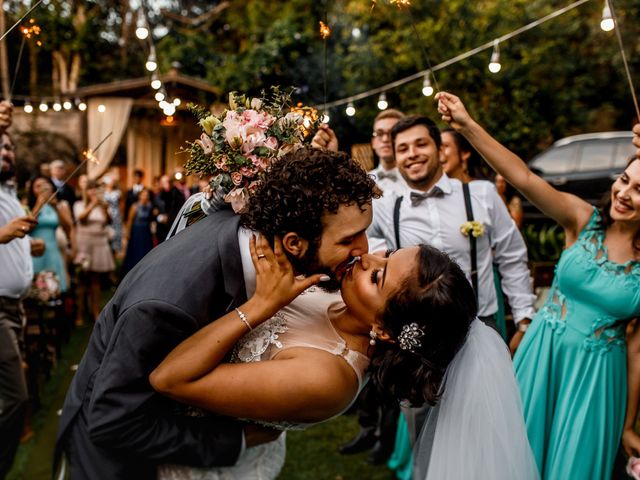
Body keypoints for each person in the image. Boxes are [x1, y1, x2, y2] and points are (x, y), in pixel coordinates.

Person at [54, 148, 379, 479]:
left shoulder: (252, 239)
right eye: (349, 239)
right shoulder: (165, 305)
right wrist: (236, 440)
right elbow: (112, 421)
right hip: (117, 465)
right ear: (294, 244)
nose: (364, 250)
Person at [150, 236, 539, 480]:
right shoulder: (340, 288)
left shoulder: (328, 377)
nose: (370, 258)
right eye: (389, 254)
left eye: (377, 278)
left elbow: (170, 379)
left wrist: (261, 306)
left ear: (385, 330)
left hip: (197, 465)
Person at [436, 91, 640, 479]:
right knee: (516, 456)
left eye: (639, 190)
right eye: (624, 180)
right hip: (542, 354)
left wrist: (628, 424)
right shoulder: (583, 220)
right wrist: (467, 125)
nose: (624, 194)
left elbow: (637, 351)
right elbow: (523, 177)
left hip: (597, 379)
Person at [367, 115, 535, 348]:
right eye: (403, 149)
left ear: (440, 150)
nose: (412, 153)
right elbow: (348, 238)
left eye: (421, 144)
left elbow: (512, 257)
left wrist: (524, 320)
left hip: (481, 327)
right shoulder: (385, 208)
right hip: (418, 338)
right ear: (396, 158)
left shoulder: (482, 194)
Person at [312, 111, 406, 464]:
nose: (384, 139)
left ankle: (388, 440)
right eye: (378, 133)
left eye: (390, 134)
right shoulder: (366, 181)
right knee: (367, 368)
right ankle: (367, 429)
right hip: (362, 279)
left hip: (389, 291)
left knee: (392, 377)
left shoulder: (410, 183)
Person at [0, 104, 46, 478]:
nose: (6, 152)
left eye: (8, 148)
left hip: (14, 305)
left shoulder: (9, 192)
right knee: (15, 397)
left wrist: (23, 245)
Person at [313, 110, 408, 195]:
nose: (385, 139)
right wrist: (330, 158)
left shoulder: (419, 178)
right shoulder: (361, 181)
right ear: (373, 142)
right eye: (379, 133)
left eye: (392, 133)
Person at [73, 180, 115, 324]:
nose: (93, 192)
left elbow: (109, 221)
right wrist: (92, 204)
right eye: (90, 190)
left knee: (95, 280)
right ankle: (79, 313)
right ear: (86, 191)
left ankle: (95, 311)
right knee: (82, 279)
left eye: (95, 190)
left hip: (99, 243)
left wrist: (104, 208)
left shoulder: (102, 206)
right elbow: (81, 218)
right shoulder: (79, 205)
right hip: (84, 243)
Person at [28, 175, 75, 294]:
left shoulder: (57, 205)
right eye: (37, 186)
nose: (42, 189)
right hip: (35, 251)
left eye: (45, 185)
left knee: (55, 289)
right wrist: (39, 204)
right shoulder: (28, 206)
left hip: (53, 250)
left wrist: (55, 206)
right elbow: (27, 226)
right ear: (32, 190)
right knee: (35, 290)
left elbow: (67, 228)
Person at [121, 188, 156, 275]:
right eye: (143, 194)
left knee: (146, 250)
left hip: (146, 231)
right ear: (139, 196)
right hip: (136, 231)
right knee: (136, 250)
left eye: (147, 195)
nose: (145, 196)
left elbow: (150, 219)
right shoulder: (134, 206)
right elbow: (129, 221)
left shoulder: (150, 206)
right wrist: (127, 233)